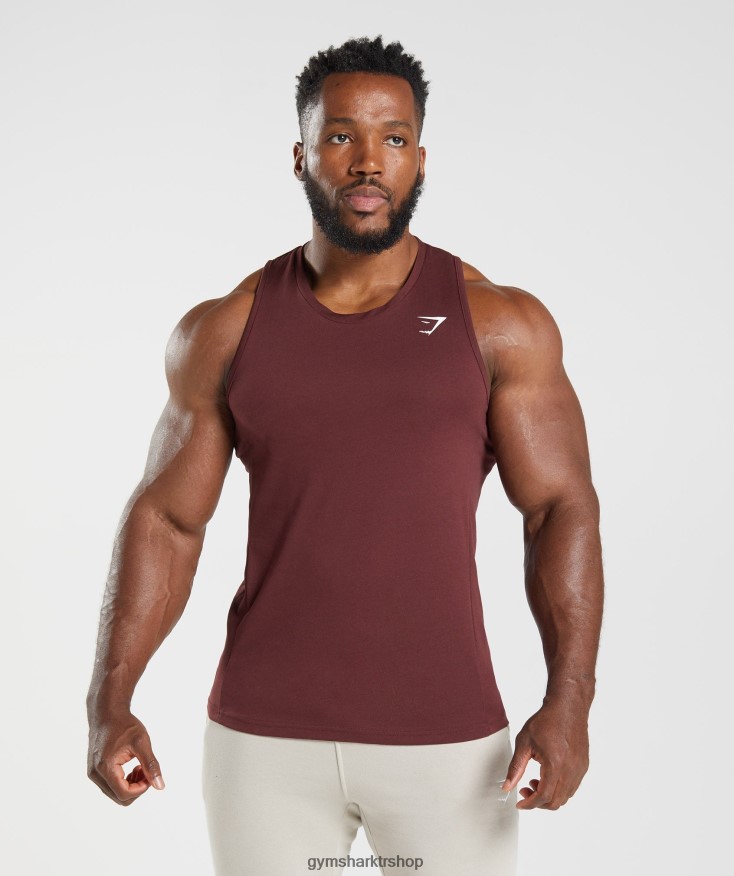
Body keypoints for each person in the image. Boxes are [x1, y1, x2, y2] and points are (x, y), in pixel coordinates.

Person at [86, 34, 604, 876]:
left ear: (420, 159)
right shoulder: (226, 329)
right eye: (340, 136)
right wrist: (110, 702)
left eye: (393, 138)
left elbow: (558, 509)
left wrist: (569, 703)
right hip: (263, 744)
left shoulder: (500, 324)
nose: (368, 161)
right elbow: (168, 520)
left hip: (448, 744)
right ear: (300, 156)